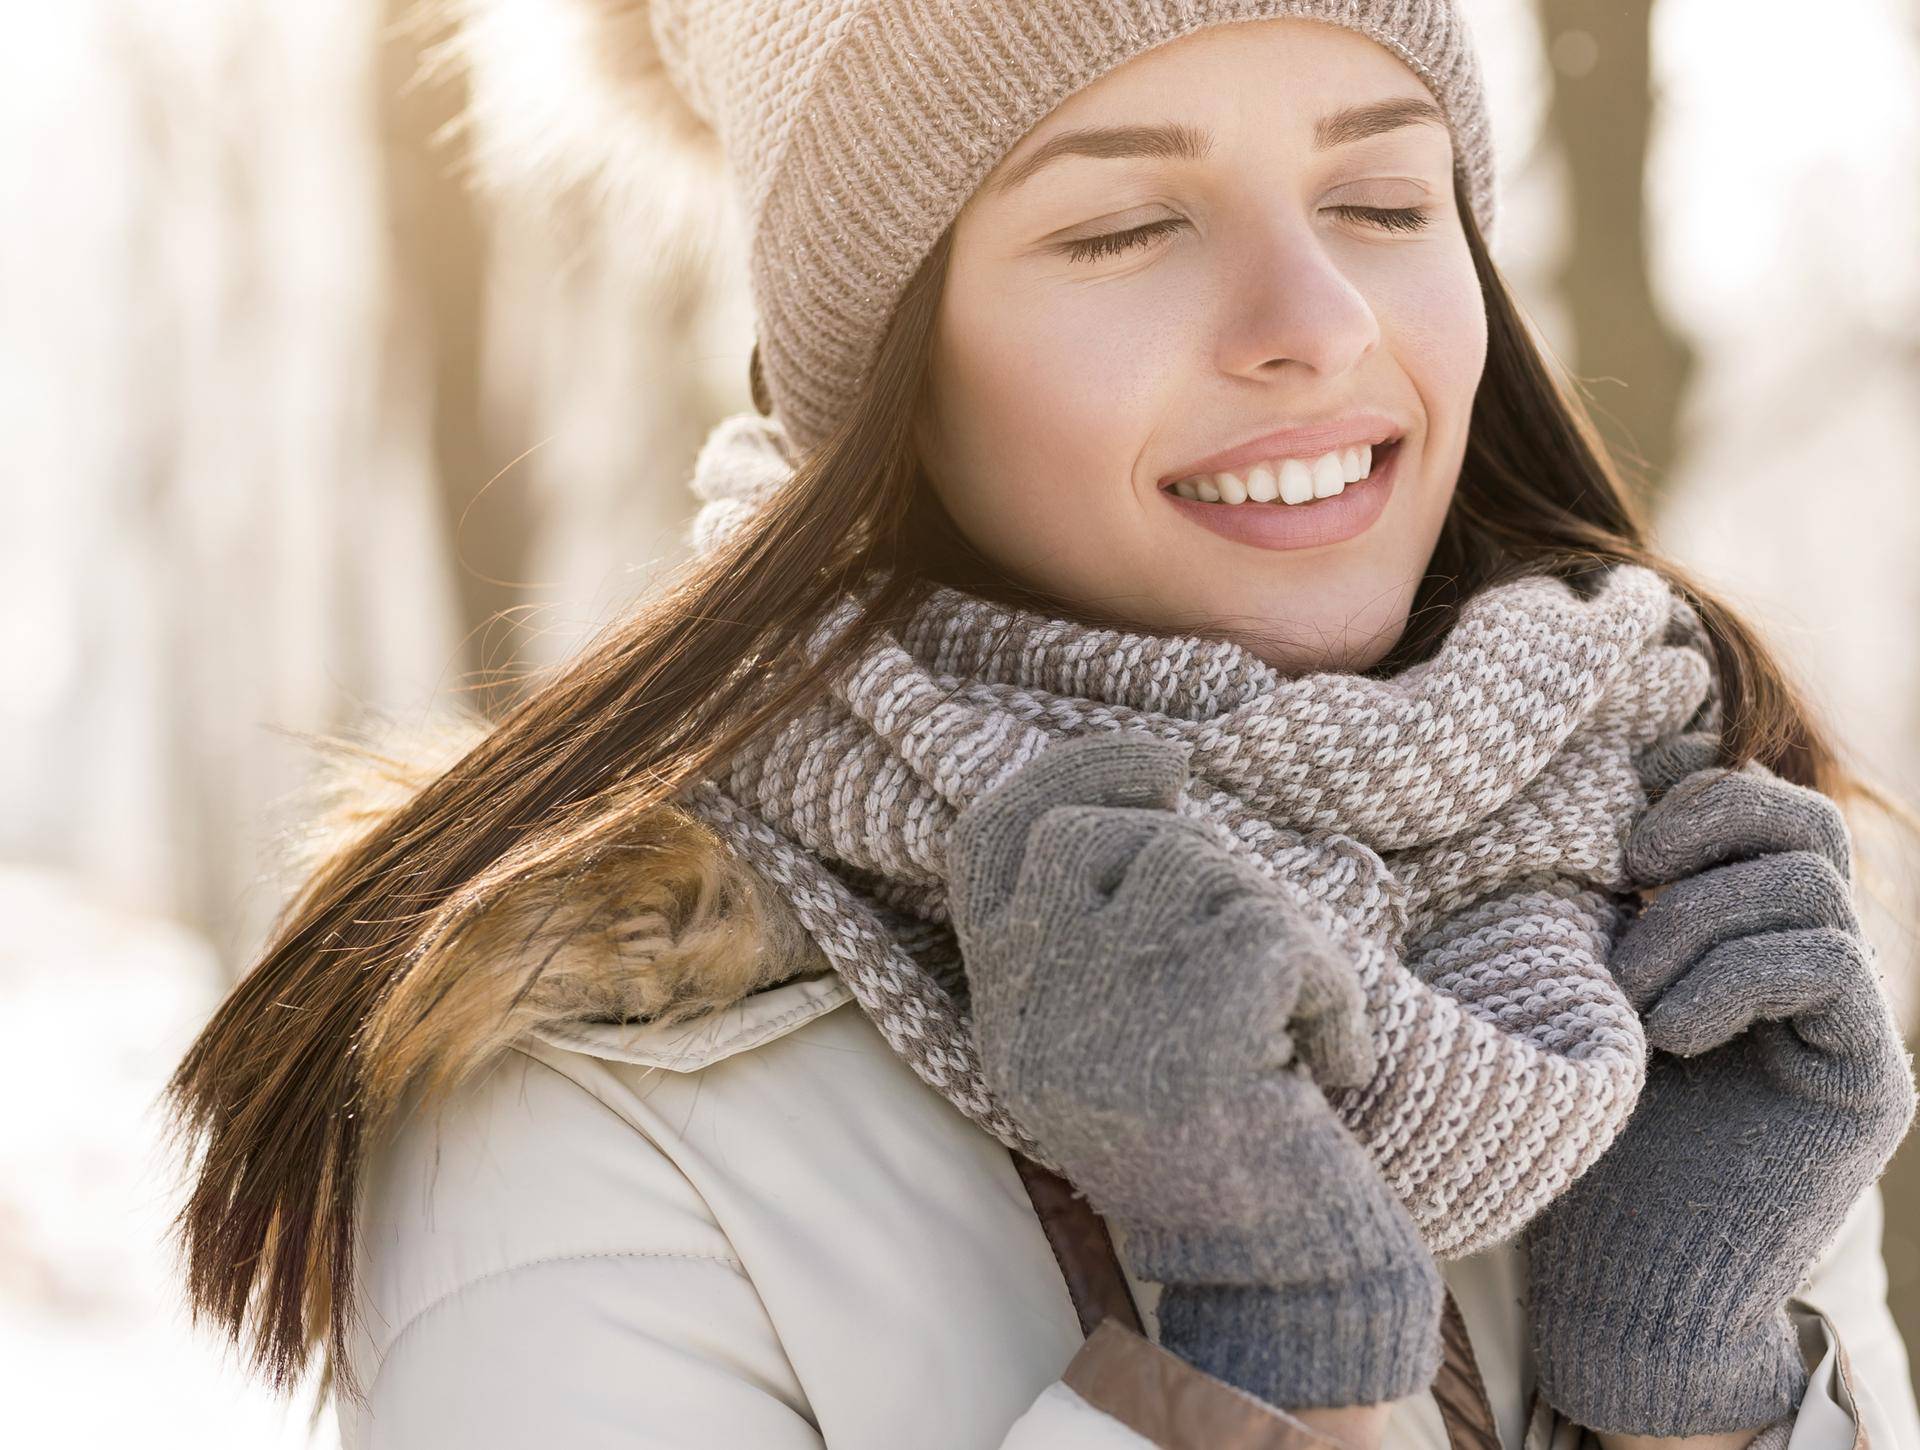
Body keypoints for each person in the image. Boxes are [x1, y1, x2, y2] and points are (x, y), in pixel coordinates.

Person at [162, 3, 1920, 1447]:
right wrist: (1253, 1381)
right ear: (882, 366)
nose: (1315, 325)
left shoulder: (1663, 959)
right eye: (1122, 227)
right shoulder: (594, 1108)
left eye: (1385, 202)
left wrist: (1691, 1399)